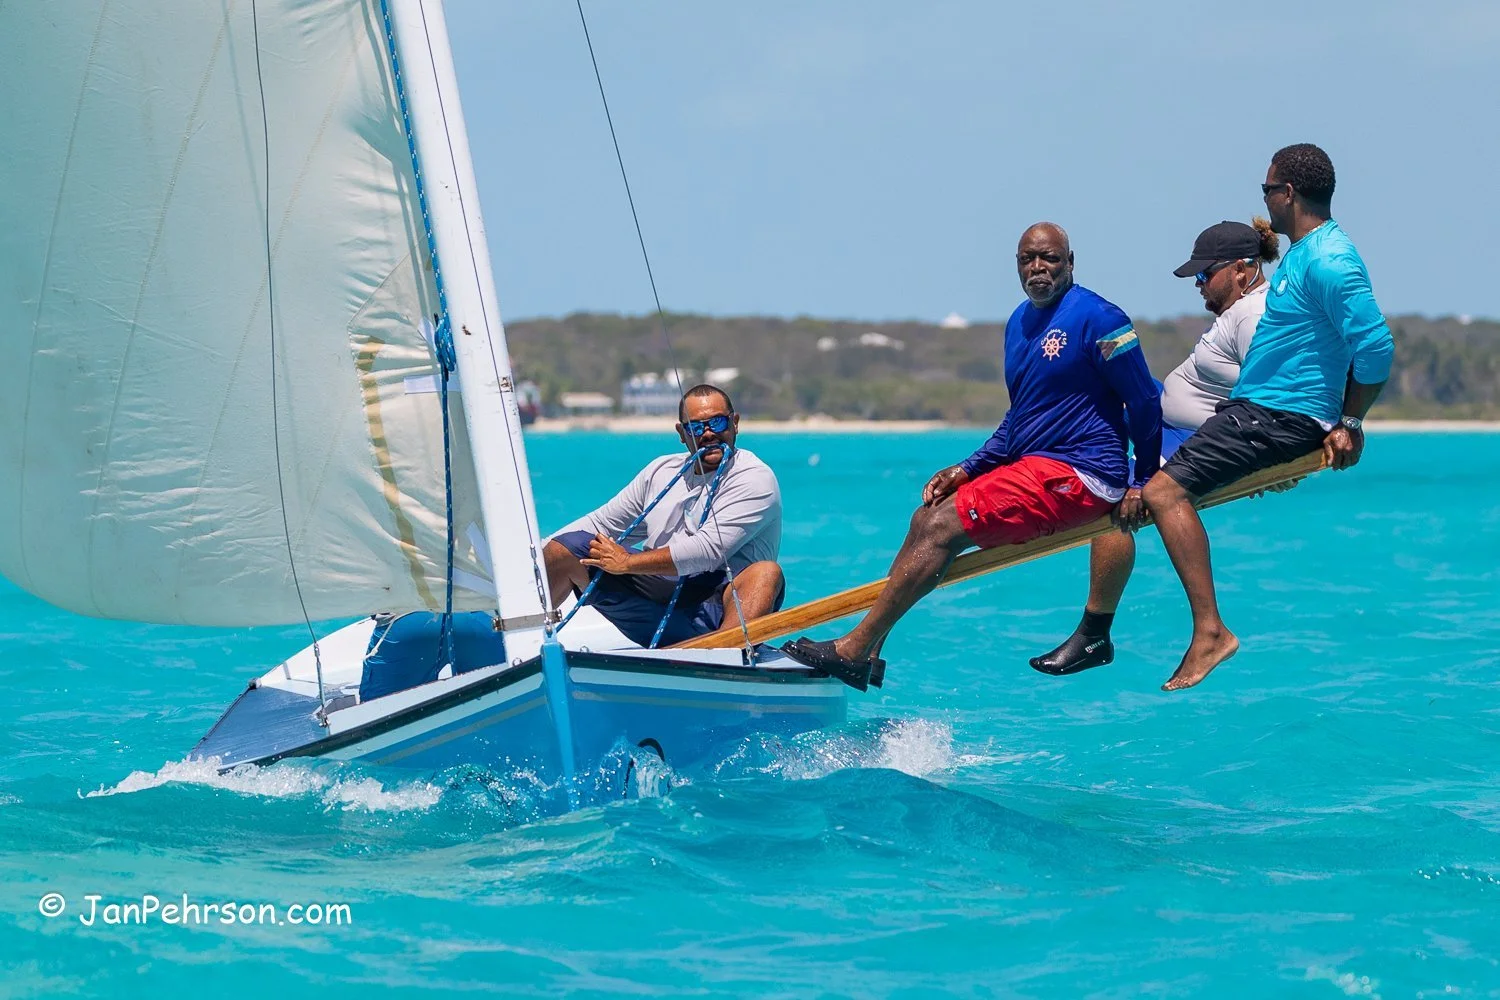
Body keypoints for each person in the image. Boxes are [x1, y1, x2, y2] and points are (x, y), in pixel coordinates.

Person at [780, 222, 1162, 688]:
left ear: (1070, 262)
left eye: (1049, 258)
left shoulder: (1102, 319)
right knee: (928, 515)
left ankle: (852, 649)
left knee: (943, 526)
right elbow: (1019, 419)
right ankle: (870, 649)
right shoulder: (1018, 323)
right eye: (1027, 259)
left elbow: (1144, 400)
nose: (1038, 268)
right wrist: (968, 468)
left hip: (1084, 475)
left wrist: (1141, 481)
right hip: (1037, 467)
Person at [1142, 143, 1394, 691]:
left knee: (1161, 494)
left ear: (1288, 194)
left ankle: (1210, 632)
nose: (1264, 201)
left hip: (1279, 415)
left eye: (1266, 190)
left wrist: (1349, 423)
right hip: (1257, 412)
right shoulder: (1303, 254)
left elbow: (1375, 347)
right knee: (1156, 487)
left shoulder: (1330, 259)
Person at [1030, 218, 1281, 676]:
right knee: (1093, 380)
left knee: (1109, 494)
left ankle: (1094, 633)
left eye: (1205, 274)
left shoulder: (1254, 317)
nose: (1199, 284)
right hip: (1163, 416)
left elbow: (1267, 400)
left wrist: (1260, 463)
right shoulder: (1239, 310)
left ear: (1242, 270)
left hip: (1188, 438)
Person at [543, 384, 785, 647]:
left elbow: (708, 551)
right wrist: (530, 560)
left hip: (716, 609)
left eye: (717, 422)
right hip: (655, 598)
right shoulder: (661, 472)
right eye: (696, 427)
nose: (708, 434)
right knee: (562, 550)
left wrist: (627, 562)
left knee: (766, 573)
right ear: (682, 433)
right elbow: (601, 524)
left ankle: (729, 655)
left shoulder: (754, 478)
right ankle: (528, 644)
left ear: (734, 423)